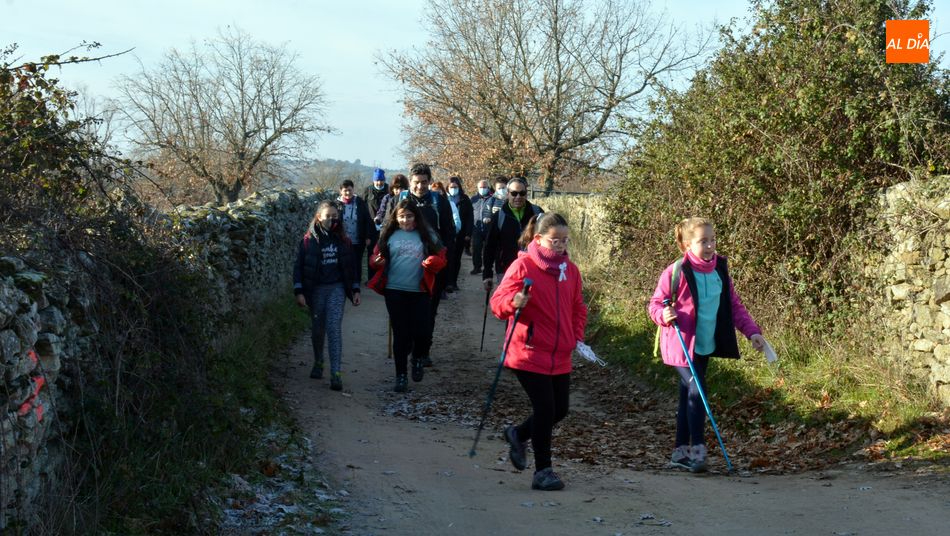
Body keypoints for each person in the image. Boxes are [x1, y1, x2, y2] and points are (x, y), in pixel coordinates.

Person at [648, 217, 768, 473]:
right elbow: (656, 304)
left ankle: (680, 452)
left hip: (705, 344)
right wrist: (664, 316)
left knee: (688, 396)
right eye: (703, 241)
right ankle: (698, 451)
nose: (710, 245)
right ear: (687, 244)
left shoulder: (719, 270)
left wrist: (752, 333)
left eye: (712, 240)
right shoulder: (676, 271)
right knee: (696, 392)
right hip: (680, 344)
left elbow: (733, 306)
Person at [490, 212, 586, 491]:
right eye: (555, 240)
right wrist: (514, 301)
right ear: (538, 238)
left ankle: (517, 433)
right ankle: (543, 471)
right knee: (545, 409)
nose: (560, 245)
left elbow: (578, 307)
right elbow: (498, 304)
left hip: (561, 353)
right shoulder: (524, 266)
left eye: (565, 240)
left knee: (561, 410)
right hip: (528, 351)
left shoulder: (571, 270)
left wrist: (576, 336)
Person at [368, 200, 447, 392]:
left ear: (416, 217)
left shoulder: (427, 235)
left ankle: (418, 358)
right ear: (395, 217)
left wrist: (433, 261)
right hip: (394, 290)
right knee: (401, 334)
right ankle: (401, 375)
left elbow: (442, 258)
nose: (405, 220)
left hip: (420, 291)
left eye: (409, 216)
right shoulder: (387, 235)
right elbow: (373, 259)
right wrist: (376, 262)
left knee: (421, 332)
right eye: (402, 216)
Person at [293, 201, 362, 391]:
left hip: (336, 289)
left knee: (333, 327)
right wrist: (299, 292)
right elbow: (298, 267)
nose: (332, 220)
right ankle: (318, 361)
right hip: (315, 290)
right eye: (328, 216)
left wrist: (355, 289)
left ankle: (336, 373)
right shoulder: (308, 241)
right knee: (318, 328)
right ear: (318, 217)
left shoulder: (343, 240)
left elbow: (351, 268)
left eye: (335, 216)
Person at [401, 163, 456, 366]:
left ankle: (423, 350)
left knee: (428, 312)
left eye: (424, 182)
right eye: (416, 183)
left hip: (433, 267)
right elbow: (388, 232)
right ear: (410, 182)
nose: (420, 187)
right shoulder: (401, 201)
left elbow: (450, 234)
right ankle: (408, 343)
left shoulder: (439, 201)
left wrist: (446, 267)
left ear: (429, 182)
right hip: (405, 265)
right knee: (407, 310)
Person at [482, 176, 543, 292]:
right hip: (505, 269)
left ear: (526, 194)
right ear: (508, 194)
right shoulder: (499, 217)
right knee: (508, 304)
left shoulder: (538, 213)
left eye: (522, 193)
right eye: (514, 193)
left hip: (533, 269)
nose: (518, 197)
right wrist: (487, 274)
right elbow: (490, 246)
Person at [337, 179, 373, 283]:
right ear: (341, 191)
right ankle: (344, 282)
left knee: (357, 262)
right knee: (343, 261)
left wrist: (368, 236)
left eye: (349, 190)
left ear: (353, 189)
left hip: (358, 240)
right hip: (342, 240)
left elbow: (367, 220)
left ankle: (356, 285)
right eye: (345, 190)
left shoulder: (360, 202)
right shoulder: (337, 204)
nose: (348, 193)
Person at [445, 176, 473, 291]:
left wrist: (468, 233)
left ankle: (454, 282)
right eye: (451, 187)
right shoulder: (443, 199)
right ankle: (446, 282)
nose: (453, 189)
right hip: (447, 234)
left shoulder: (465, 199)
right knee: (447, 258)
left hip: (461, 234)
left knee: (456, 258)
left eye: (455, 187)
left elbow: (469, 217)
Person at [364, 168, 389, 279]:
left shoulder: (389, 190)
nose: (379, 183)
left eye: (381, 180)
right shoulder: (367, 191)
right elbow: (363, 209)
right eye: (377, 180)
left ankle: (383, 278)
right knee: (371, 253)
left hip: (386, 227)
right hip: (370, 228)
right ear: (373, 180)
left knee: (385, 252)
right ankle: (371, 278)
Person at [469, 178, 494, 275]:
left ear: (488, 188)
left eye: (485, 187)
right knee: (476, 248)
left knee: (488, 249)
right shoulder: (473, 199)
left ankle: (488, 267)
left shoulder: (493, 199)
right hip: (476, 228)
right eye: (481, 187)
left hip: (489, 228)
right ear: (477, 188)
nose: (483, 189)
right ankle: (477, 267)